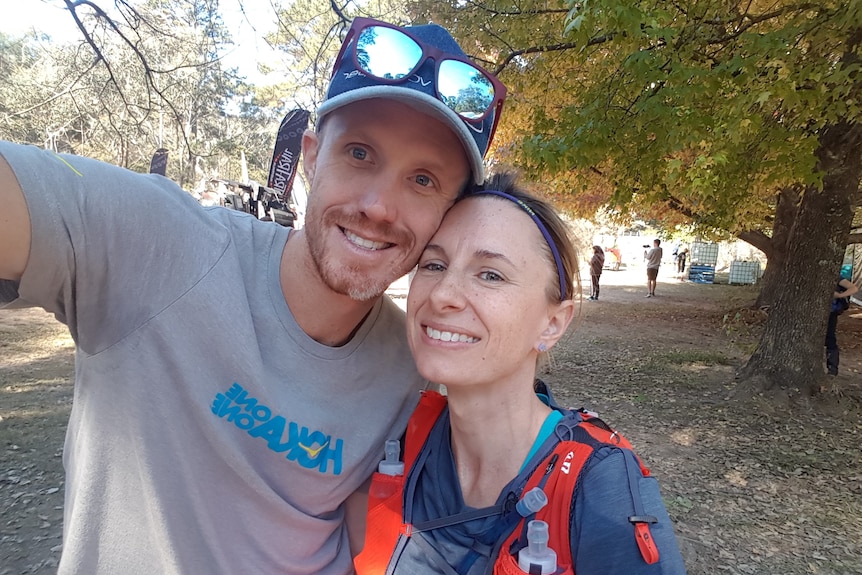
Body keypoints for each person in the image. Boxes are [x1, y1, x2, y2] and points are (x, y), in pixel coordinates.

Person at [0, 17, 507, 575]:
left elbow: (370, 533)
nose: (380, 206)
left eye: (424, 180)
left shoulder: (412, 362)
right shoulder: (158, 243)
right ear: (312, 157)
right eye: (360, 154)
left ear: (447, 214)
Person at [354, 173, 686, 574]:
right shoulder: (401, 432)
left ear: (552, 324)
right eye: (434, 264)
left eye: (490, 274)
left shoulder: (601, 488)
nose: (441, 294)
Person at [825, 275, 859, 375]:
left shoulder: (835, 277)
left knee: (830, 338)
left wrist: (840, 295)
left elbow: (854, 288)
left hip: (830, 312)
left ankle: (832, 369)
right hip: (814, 312)